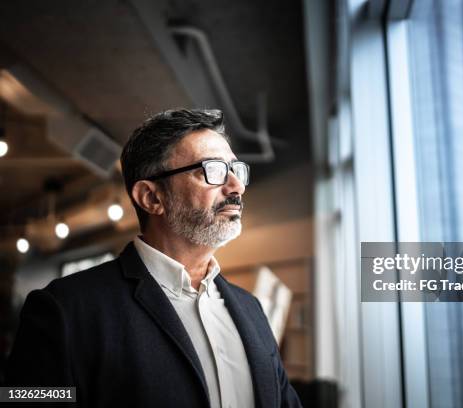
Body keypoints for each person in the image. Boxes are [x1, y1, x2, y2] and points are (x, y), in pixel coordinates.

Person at [5, 108, 303, 408]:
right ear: (151, 197)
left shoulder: (251, 309)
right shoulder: (66, 309)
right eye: (212, 170)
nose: (236, 186)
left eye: (235, 169)